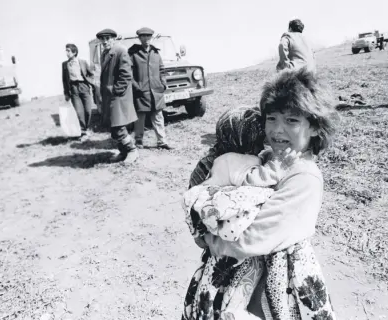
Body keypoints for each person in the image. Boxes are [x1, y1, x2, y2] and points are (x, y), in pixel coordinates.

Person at [182, 69, 338, 320]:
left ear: (316, 127)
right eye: (272, 118)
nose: (277, 129)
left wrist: (209, 240)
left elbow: (251, 239)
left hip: (271, 284)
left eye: (292, 120)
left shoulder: (303, 179)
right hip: (240, 274)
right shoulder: (267, 159)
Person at [96, 28, 139, 163]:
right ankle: (123, 151)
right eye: (102, 39)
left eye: (107, 38)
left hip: (118, 97)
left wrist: (115, 90)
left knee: (119, 127)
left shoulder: (120, 51)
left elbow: (126, 75)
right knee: (113, 127)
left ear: (114, 39)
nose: (105, 41)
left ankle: (132, 151)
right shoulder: (105, 54)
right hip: (110, 97)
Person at [128, 27, 173, 150]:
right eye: (143, 36)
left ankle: (162, 142)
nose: (146, 39)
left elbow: (162, 70)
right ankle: (138, 142)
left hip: (156, 91)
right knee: (140, 119)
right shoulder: (133, 54)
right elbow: (129, 73)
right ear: (139, 38)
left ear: (151, 37)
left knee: (158, 117)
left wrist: (162, 84)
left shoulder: (155, 53)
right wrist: (136, 87)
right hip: (141, 92)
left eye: (148, 36)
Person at [62, 43, 96, 140]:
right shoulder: (64, 64)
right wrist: (66, 93)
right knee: (79, 112)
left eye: (68, 51)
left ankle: (87, 128)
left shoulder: (83, 62)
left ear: (74, 52)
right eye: (66, 50)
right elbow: (64, 80)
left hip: (84, 87)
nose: (66, 53)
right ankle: (83, 132)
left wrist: (90, 83)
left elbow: (91, 74)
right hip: (73, 89)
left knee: (88, 111)